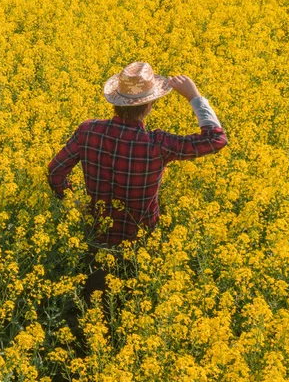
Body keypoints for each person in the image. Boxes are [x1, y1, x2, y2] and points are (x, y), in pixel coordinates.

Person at [46, 62, 228, 356]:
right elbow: (215, 139)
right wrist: (194, 96)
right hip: (140, 242)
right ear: (152, 103)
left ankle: (85, 353)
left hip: (97, 237)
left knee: (93, 305)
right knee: (132, 309)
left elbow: (55, 173)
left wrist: (76, 205)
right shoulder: (157, 143)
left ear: (115, 100)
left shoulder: (88, 131)